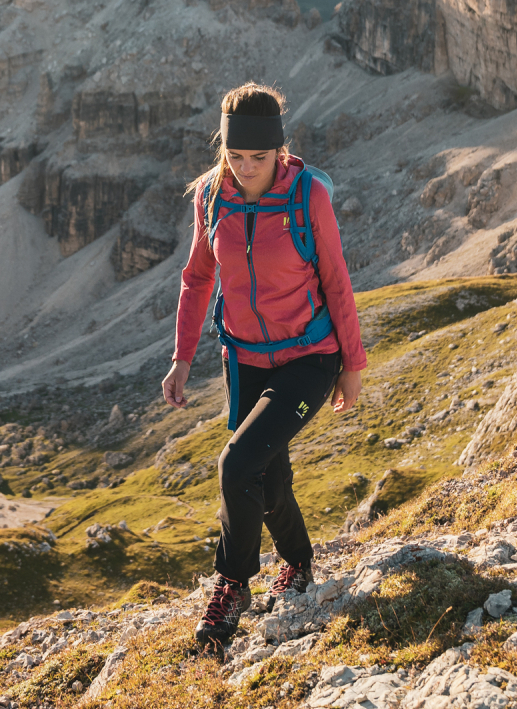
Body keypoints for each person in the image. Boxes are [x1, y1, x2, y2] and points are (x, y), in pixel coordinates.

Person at [164, 82, 366, 654]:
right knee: (267, 475)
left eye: (258, 157)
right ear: (222, 150)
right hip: (245, 358)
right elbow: (197, 278)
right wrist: (182, 358)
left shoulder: (306, 196)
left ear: (280, 150)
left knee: (236, 463)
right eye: (235, 157)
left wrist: (352, 364)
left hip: (310, 357)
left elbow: (336, 281)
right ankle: (299, 566)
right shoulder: (211, 196)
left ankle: (231, 587)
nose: (246, 168)